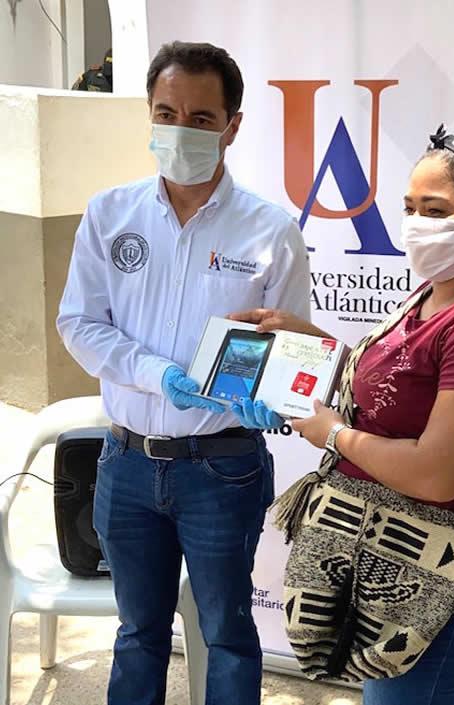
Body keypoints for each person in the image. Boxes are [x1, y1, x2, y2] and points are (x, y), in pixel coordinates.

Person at [229, 127, 454, 705]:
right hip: (384, 544)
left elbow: (438, 474)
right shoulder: (439, 292)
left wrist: (334, 435)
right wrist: (306, 339)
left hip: (438, 558)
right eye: (409, 208)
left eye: (436, 209)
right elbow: (394, 392)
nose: (417, 223)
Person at [56, 41, 310, 705]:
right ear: (148, 114)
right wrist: (153, 371)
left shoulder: (271, 231)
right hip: (128, 463)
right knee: (138, 630)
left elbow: (291, 350)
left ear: (232, 125)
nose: (180, 129)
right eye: (166, 112)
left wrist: (272, 398)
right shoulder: (110, 214)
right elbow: (78, 323)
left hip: (223, 469)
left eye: (200, 118)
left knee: (226, 631)